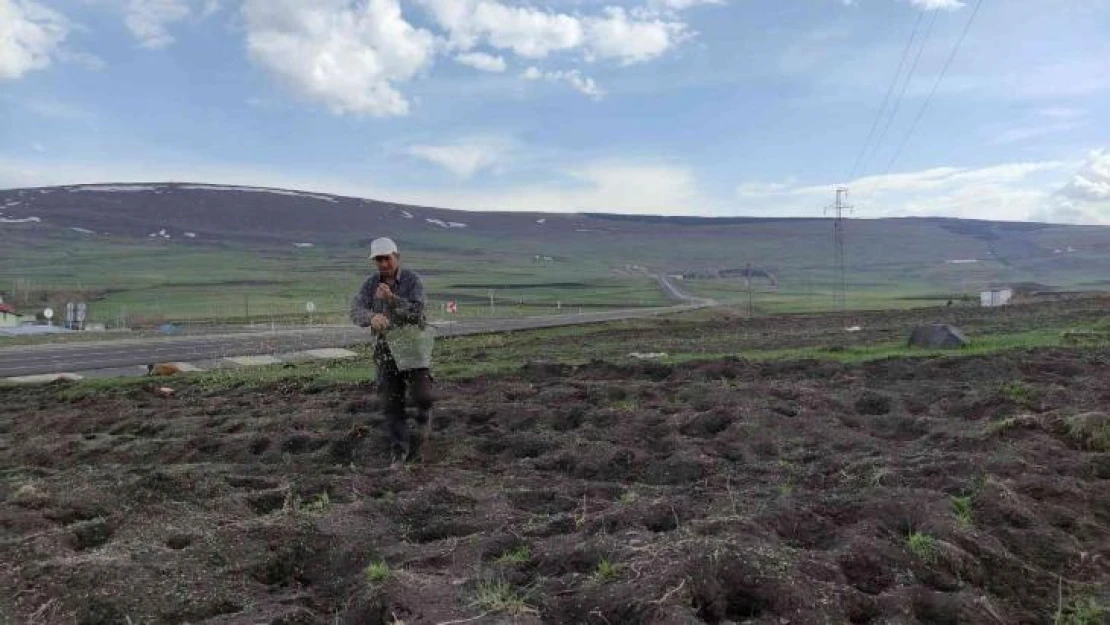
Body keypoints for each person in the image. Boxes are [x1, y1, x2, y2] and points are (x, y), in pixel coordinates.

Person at [350, 237, 434, 465]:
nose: (383, 263)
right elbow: (356, 310)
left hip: (412, 346)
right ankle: (399, 451)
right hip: (385, 349)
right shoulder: (370, 285)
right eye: (378, 259)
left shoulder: (412, 280)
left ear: (397, 257)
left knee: (423, 397)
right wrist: (371, 317)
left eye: (386, 258)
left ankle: (423, 421)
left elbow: (417, 312)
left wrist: (392, 299)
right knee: (390, 402)